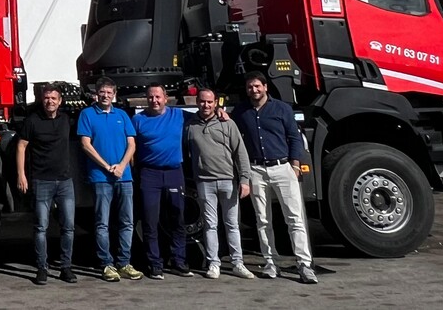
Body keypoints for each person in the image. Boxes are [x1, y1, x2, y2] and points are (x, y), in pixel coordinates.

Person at [231, 71, 319, 284]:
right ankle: (271, 262)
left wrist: (295, 165)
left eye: (257, 86)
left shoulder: (282, 109)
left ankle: (304, 264)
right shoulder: (241, 111)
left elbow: (294, 137)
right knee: (262, 219)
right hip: (256, 170)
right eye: (250, 87)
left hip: (282, 167)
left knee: (294, 218)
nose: (254, 90)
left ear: (265, 87)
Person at [185, 87, 256, 279]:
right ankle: (213, 263)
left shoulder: (228, 123)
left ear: (216, 103)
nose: (206, 105)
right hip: (204, 182)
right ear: (196, 102)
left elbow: (240, 152)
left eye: (210, 102)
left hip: (228, 181)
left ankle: (238, 263)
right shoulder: (190, 125)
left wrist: (245, 179)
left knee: (232, 224)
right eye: (202, 101)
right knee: (210, 225)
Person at [77, 77, 142, 282]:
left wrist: (121, 166)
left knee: (127, 222)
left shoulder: (122, 115)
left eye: (109, 92)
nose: (105, 96)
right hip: (101, 178)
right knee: (102, 223)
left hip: (124, 177)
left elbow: (132, 144)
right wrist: (106, 166)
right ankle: (106, 264)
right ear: (96, 94)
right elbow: (85, 144)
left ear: (114, 94)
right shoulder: (87, 114)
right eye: (102, 92)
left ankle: (124, 263)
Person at [16, 84, 76, 285]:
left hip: (65, 181)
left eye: (53, 98)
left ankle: (66, 268)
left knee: (68, 227)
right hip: (42, 181)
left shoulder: (66, 120)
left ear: (60, 101)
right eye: (47, 98)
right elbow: (21, 146)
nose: (50, 101)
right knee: (41, 227)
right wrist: (21, 175)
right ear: (42, 100)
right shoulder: (33, 121)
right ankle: (42, 268)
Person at [131, 83, 191, 278]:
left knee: (177, 218)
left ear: (166, 98)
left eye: (158, 97)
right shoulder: (138, 120)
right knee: (150, 220)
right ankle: (154, 263)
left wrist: (221, 113)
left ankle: (179, 261)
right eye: (151, 97)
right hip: (149, 174)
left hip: (174, 172)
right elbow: (130, 145)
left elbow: (203, 116)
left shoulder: (179, 115)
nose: (154, 100)